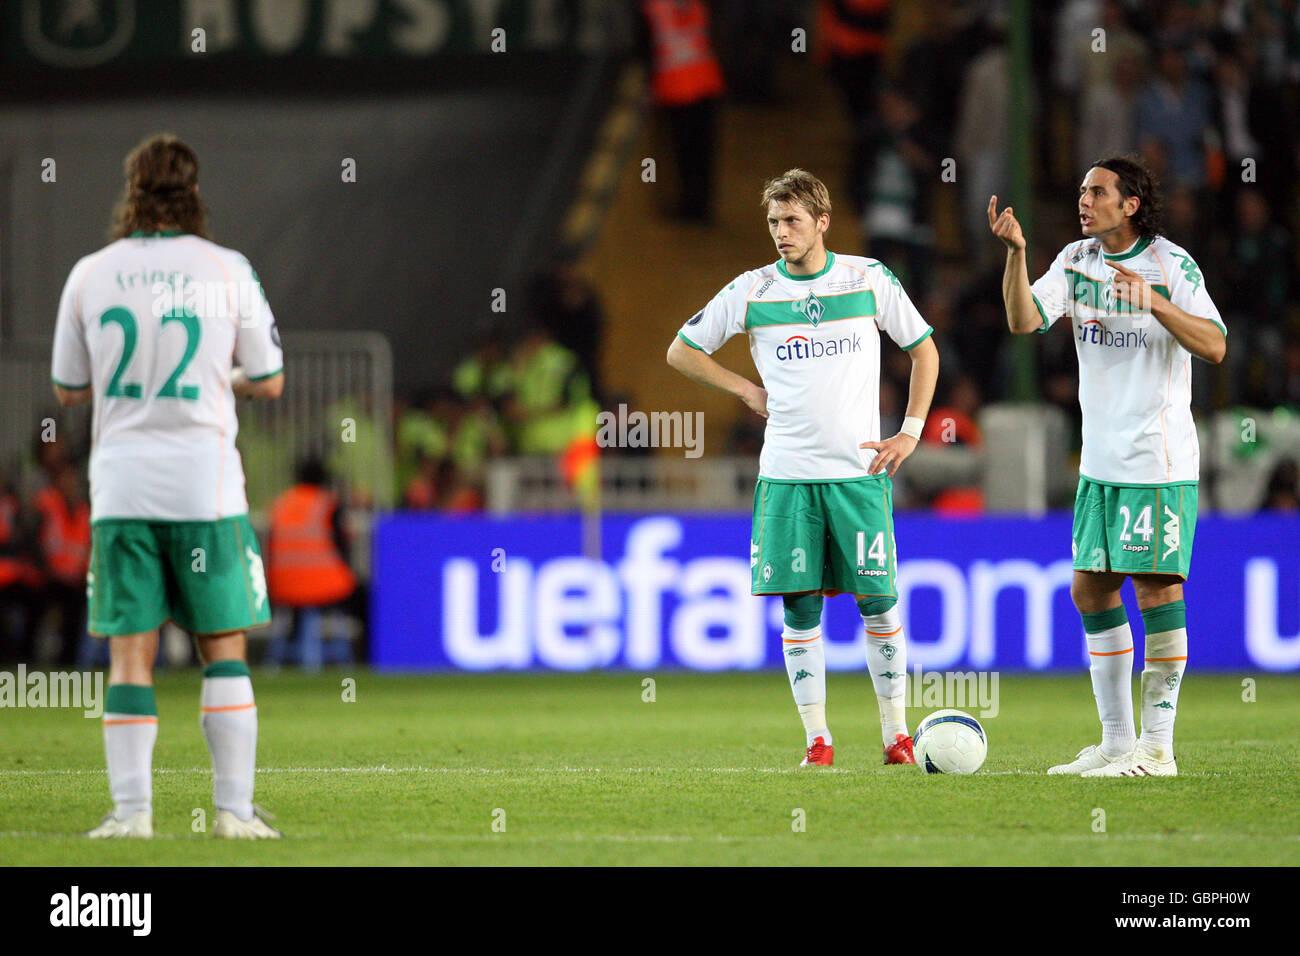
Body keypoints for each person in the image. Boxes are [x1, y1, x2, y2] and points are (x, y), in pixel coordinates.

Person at [51, 133, 285, 837]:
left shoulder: (90, 273)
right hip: (205, 487)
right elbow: (269, 378)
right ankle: (233, 814)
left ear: (131, 192)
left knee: (130, 650)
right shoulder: (225, 267)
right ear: (194, 192)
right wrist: (224, 380)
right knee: (224, 646)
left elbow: (68, 389)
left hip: (122, 489)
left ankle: (132, 815)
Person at [667, 169, 939, 767]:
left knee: (880, 602)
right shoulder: (753, 290)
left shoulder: (868, 278)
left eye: (791, 221)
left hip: (857, 474)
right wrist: (743, 387)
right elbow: (680, 349)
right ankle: (818, 740)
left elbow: (923, 350)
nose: (781, 233)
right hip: (787, 475)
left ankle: (896, 733)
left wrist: (912, 431)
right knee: (801, 606)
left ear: (822, 220)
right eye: (773, 222)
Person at [989, 154, 1226, 777]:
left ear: (1131, 204)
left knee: (1155, 588)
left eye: (1097, 191)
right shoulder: (1074, 261)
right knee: (1090, 589)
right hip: (1100, 462)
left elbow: (1215, 344)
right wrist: (1016, 254)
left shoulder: (1171, 265)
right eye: (1081, 190)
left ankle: (1159, 748)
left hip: (1157, 457)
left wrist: (1152, 302)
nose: (1084, 200)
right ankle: (1118, 742)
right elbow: (1022, 319)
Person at [266, 459, 357, 671]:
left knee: (299, 613)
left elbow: (270, 548)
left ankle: (280, 658)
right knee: (362, 596)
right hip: (325, 587)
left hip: (283, 588)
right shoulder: (327, 504)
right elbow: (342, 546)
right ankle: (356, 660)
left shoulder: (281, 504)